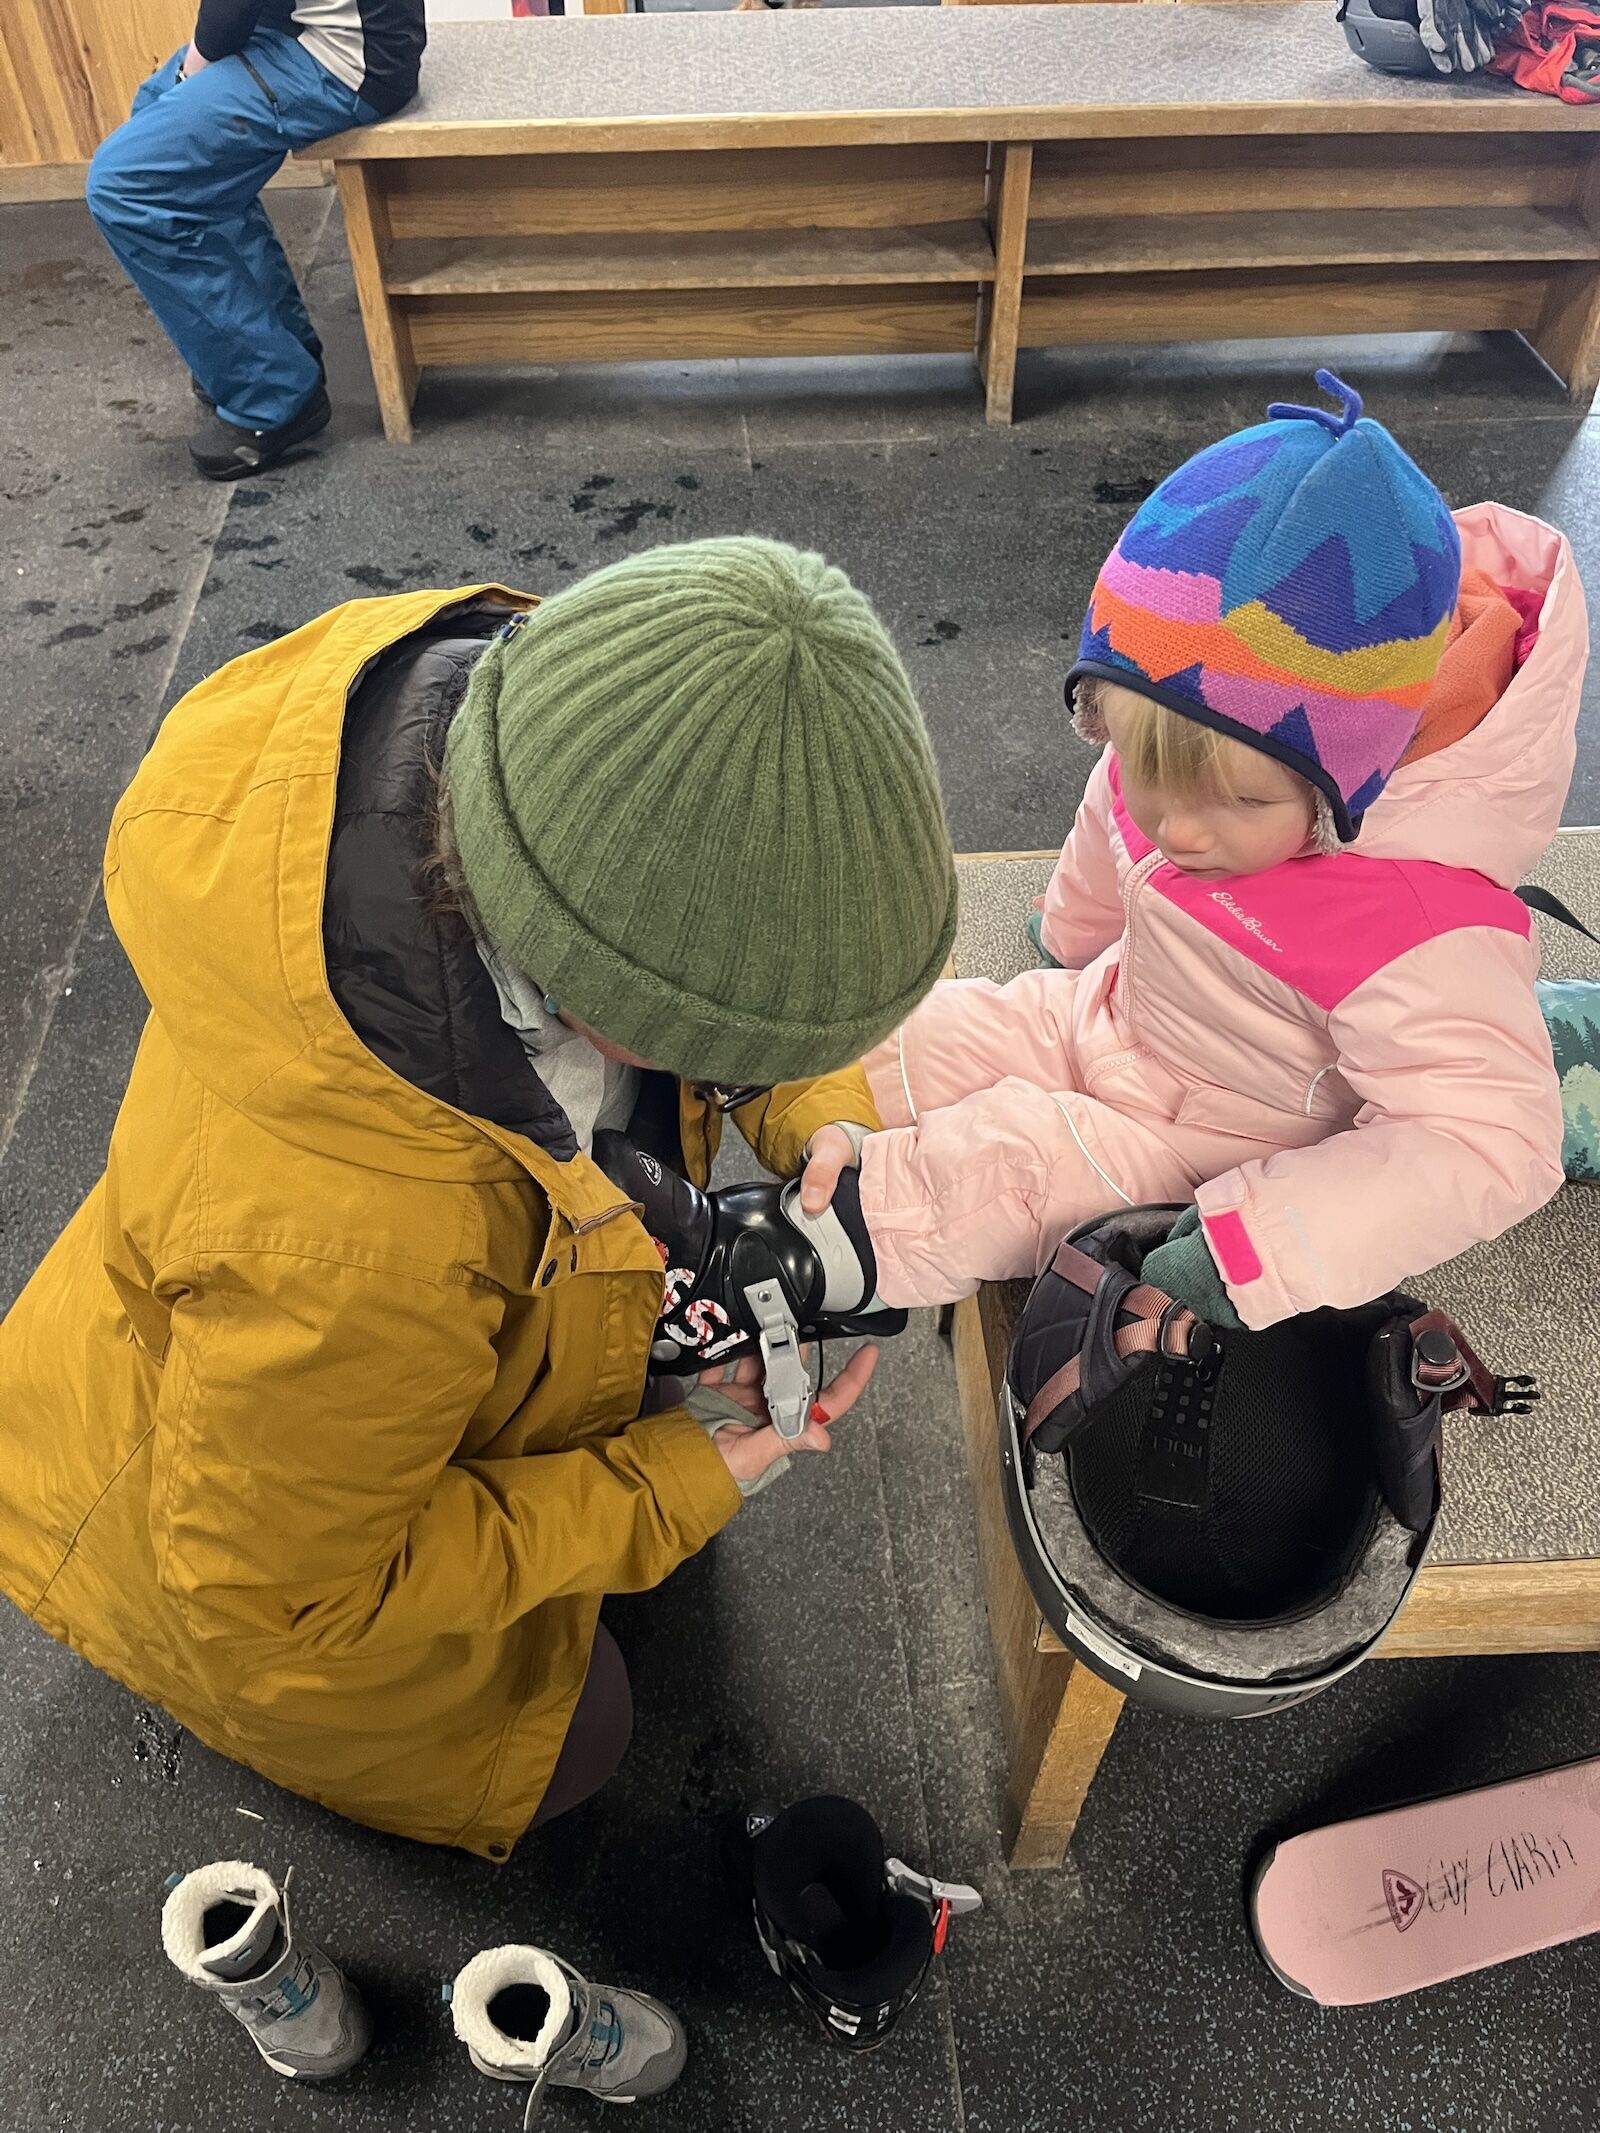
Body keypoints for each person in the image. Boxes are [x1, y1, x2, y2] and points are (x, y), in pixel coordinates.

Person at [0, 537, 957, 1857]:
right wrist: (674, 1484)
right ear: (597, 982)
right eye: (750, 1045)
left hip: (312, 1411)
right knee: (582, 1731)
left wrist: (819, 1112)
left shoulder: (565, 739)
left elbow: (725, 920)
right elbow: (280, 1602)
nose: (756, 1072)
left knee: (605, 1488)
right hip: (227, 1571)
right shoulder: (349, 1251)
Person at [625, 374, 1583, 1357]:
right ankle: (724, 1088)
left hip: (1222, 1145)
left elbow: (1489, 1142)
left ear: (1351, 781)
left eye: (1239, 804)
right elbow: (1109, 833)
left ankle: (777, 1260)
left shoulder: (1420, 924)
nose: (1179, 830)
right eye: (1138, 760)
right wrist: (1072, 937)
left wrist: (1257, 1244)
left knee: (1011, 1170)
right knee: (898, 1030)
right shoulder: (1181, 765)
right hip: (1111, 1014)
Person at [85, 2, 426, 480]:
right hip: (297, 31)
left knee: (127, 183)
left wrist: (193, 73)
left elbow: (230, 9)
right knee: (153, 109)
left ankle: (274, 396)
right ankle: (272, 349)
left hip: (343, 61)